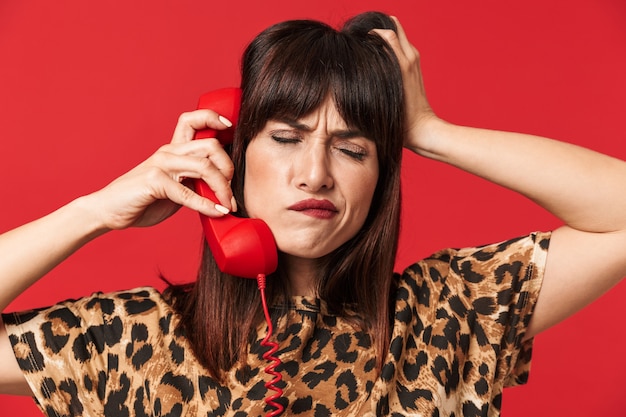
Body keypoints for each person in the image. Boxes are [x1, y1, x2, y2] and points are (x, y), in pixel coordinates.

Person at [0, 11, 624, 417]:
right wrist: (95, 210)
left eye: (352, 148)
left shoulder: (447, 313)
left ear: (381, 178)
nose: (316, 173)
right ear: (230, 157)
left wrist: (429, 131)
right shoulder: (136, 338)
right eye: (286, 138)